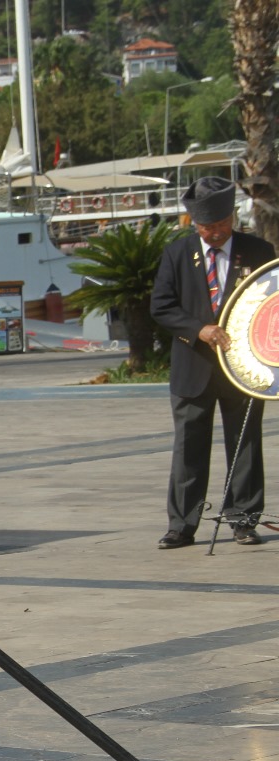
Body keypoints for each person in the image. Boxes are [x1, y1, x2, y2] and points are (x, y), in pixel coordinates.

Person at [150, 175, 275, 549]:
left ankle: (244, 520)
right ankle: (182, 525)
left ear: (232, 217)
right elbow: (162, 307)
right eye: (206, 227)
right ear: (194, 223)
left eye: (220, 225)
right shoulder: (177, 253)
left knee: (245, 444)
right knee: (188, 446)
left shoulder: (259, 251)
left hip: (245, 368)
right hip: (193, 366)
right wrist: (197, 329)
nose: (214, 233)